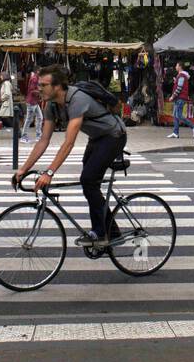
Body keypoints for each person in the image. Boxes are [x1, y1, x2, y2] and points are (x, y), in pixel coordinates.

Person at [14, 66, 126, 248]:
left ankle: (100, 233)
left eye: (44, 85)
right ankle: (111, 231)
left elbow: (68, 143)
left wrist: (49, 173)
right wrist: (22, 169)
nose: (39, 88)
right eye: (39, 84)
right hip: (97, 138)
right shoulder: (51, 105)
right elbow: (44, 140)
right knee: (90, 184)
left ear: (57, 86)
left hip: (114, 136)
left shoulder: (77, 100)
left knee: (89, 179)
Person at [167, 61, 193, 139]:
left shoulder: (182, 76)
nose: (175, 67)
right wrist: (176, 81)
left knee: (179, 115)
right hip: (179, 98)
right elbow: (179, 85)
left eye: (176, 65)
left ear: (180, 67)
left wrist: (172, 96)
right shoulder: (180, 76)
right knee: (175, 115)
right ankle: (175, 133)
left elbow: (179, 88)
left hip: (180, 98)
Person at [20, 70, 42, 142]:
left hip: (34, 102)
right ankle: (24, 136)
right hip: (32, 102)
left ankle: (38, 135)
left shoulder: (36, 78)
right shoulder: (34, 79)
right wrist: (40, 91)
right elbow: (32, 91)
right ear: (37, 71)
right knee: (29, 119)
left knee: (39, 117)